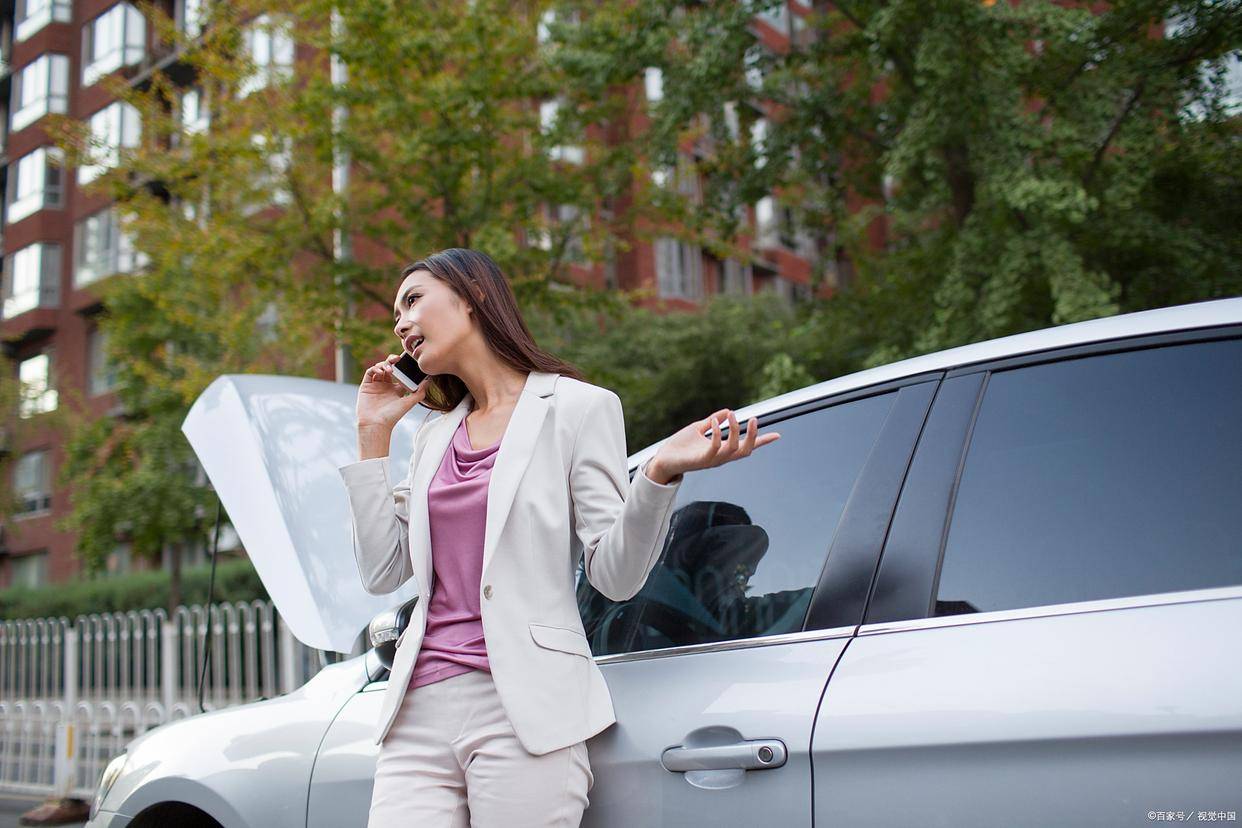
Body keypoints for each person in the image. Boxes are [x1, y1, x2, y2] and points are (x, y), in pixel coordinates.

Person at [337, 248, 780, 827]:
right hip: (417, 712)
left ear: (471, 297)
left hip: (525, 710)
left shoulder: (578, 408)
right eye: (396, 314)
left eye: (413, 301)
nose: (400, 324)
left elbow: (615, 576)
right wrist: (371, 435)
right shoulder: (433, 435)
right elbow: (382, 571)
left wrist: (657, 474)